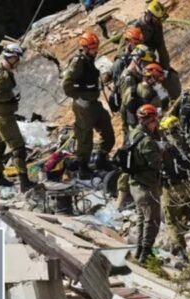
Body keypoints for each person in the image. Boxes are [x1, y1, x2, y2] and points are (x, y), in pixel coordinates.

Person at [62, 32, 115, 179]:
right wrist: (78, 97)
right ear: (85, 48)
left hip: (94, 102)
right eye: (92, 48)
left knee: (107, 130)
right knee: (85, 136)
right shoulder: (78, 61)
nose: (95, 51)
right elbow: (66, 83)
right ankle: (83, 167)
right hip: (83, 104)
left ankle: (101, 158)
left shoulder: (90, 60)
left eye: (96, 48)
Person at [116, 60, 163, 209]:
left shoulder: (134, 89)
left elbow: (123, 110)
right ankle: (141, 199)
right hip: (145, 132)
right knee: (143, 163)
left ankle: (121, 201)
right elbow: (157, 115)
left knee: (131, 163)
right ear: (151, 78)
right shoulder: (149, 94)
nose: (159, 82)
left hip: (134, 130)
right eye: (157, 79)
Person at [0, 43, 35, 192]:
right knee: (18, 148)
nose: (18, 62)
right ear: (12, 57)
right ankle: (24, 182)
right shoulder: (3, 74)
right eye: (17, 58)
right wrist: (12, 95)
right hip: (4, 116)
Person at [159, 115, 190, 261]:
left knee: (170, 220)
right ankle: (179, 243)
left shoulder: (163, 147)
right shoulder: (187, 143)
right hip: (187, 185)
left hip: (170, 188)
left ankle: (178, 248)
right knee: (183, 217)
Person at [129, 104, 163, 263]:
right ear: (150, 120)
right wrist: (161, 150)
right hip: (146, 185)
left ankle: (139, 250)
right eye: (155, 120)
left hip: (135, 183)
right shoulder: (147, 140)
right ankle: (146, 253)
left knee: (142, 218)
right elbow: (156, 163)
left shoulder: (133, 133)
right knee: (153, 220)